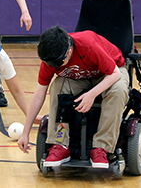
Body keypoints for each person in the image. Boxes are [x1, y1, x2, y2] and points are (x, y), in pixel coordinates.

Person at [17, 25, 129, 169]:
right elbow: (39, 96)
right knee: (58, 86)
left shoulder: (88, 45)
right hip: (80, 77)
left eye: (58, 63)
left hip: (111, 72)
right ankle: (60, 143)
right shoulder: (52, 56)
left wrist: (92, 94)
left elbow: (115, 74)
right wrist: (25, 133)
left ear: (69, 51)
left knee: (119, 90)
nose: (54, 66)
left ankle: (102, 147)